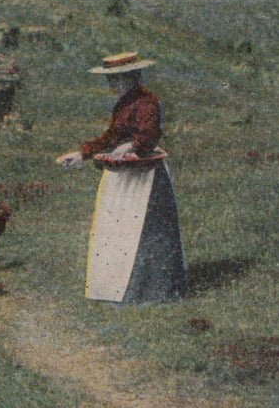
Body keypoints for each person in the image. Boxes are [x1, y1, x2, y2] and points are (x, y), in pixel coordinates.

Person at [56, 52, 188, 304]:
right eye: (110, 80)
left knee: (144, 231)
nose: (112, 85)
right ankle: (114, 289)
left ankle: (150, 292)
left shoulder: (147, 102)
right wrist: (83, 154)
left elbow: (149, 136)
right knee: (117, 230)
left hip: (145, 178)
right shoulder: (124, 104)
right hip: (125, 177)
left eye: (116, 79)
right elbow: (111, 137)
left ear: (131, 78)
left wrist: (130, 147)